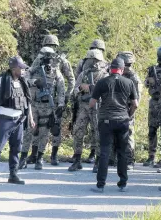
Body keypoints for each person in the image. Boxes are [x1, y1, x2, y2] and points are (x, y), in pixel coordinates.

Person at [90, 58, 138, 193]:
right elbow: (135, 104)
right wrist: (128, 114)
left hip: (106, 120)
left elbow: (92, 103)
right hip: (123, 120)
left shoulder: (102, 82)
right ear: (122, 70)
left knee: (105, 152)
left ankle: (100, 185)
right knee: (122, 152)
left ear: (111, 69)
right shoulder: (129, 82)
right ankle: (123, 183)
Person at [0, 56, 34, 185]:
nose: (23, 70)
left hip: (19, 120)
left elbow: (27, 101)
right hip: (5, 120)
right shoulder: (2, 80)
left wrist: (31, 118)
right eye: (20, 68)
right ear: (14, 69)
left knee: (16, 148)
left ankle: (13, 174)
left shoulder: (23, 81)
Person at [27, 34, 74, 165]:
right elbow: (30, 74)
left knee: (55, 127)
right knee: (37, 127)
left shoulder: (61, 61)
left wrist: (66, 97)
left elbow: (71, 79)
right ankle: (35, 155)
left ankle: (53, 155)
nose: (49, 48)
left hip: (55, 99)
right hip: (40, 99)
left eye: (50, 46)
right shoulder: (39, 58)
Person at [19, 47, 65, 170]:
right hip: (33, 105)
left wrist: (61, 104)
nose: (48, 62)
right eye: (46, 59)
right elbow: (23, 80)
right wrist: (34, 81)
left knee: (44, 133)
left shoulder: (56, 72)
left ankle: (39, 158)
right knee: (29, 131)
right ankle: (23, 158)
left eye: (50, 59)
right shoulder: (34, 70)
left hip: (48, 106)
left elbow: (61, 89)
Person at [68, 49, 108, 172]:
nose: (92, 63)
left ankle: (97, 161)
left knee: (98, 134)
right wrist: (80, 88)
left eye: (94, 60)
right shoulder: (83, 74)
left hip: (98, 107)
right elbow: (74, 90)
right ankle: (77, 160)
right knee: (78, 131)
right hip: (83, 107)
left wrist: (90, 88)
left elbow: (107, 92)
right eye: (90, 60)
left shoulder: (104, 75)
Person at [143, 46, 161, 167]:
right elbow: (145, 84)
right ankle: (151, 156)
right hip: (154, 103)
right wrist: (148, 81)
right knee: (152, 131)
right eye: (160, 57)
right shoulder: (152, 69)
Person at [115, 51, 143, 170]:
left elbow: (136, 101)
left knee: (129, 135)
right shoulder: (118, 75)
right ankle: (115, 158)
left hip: (128, 111)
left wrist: (130, 114)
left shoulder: (134, 78)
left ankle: (129, 160)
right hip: (116, 109)